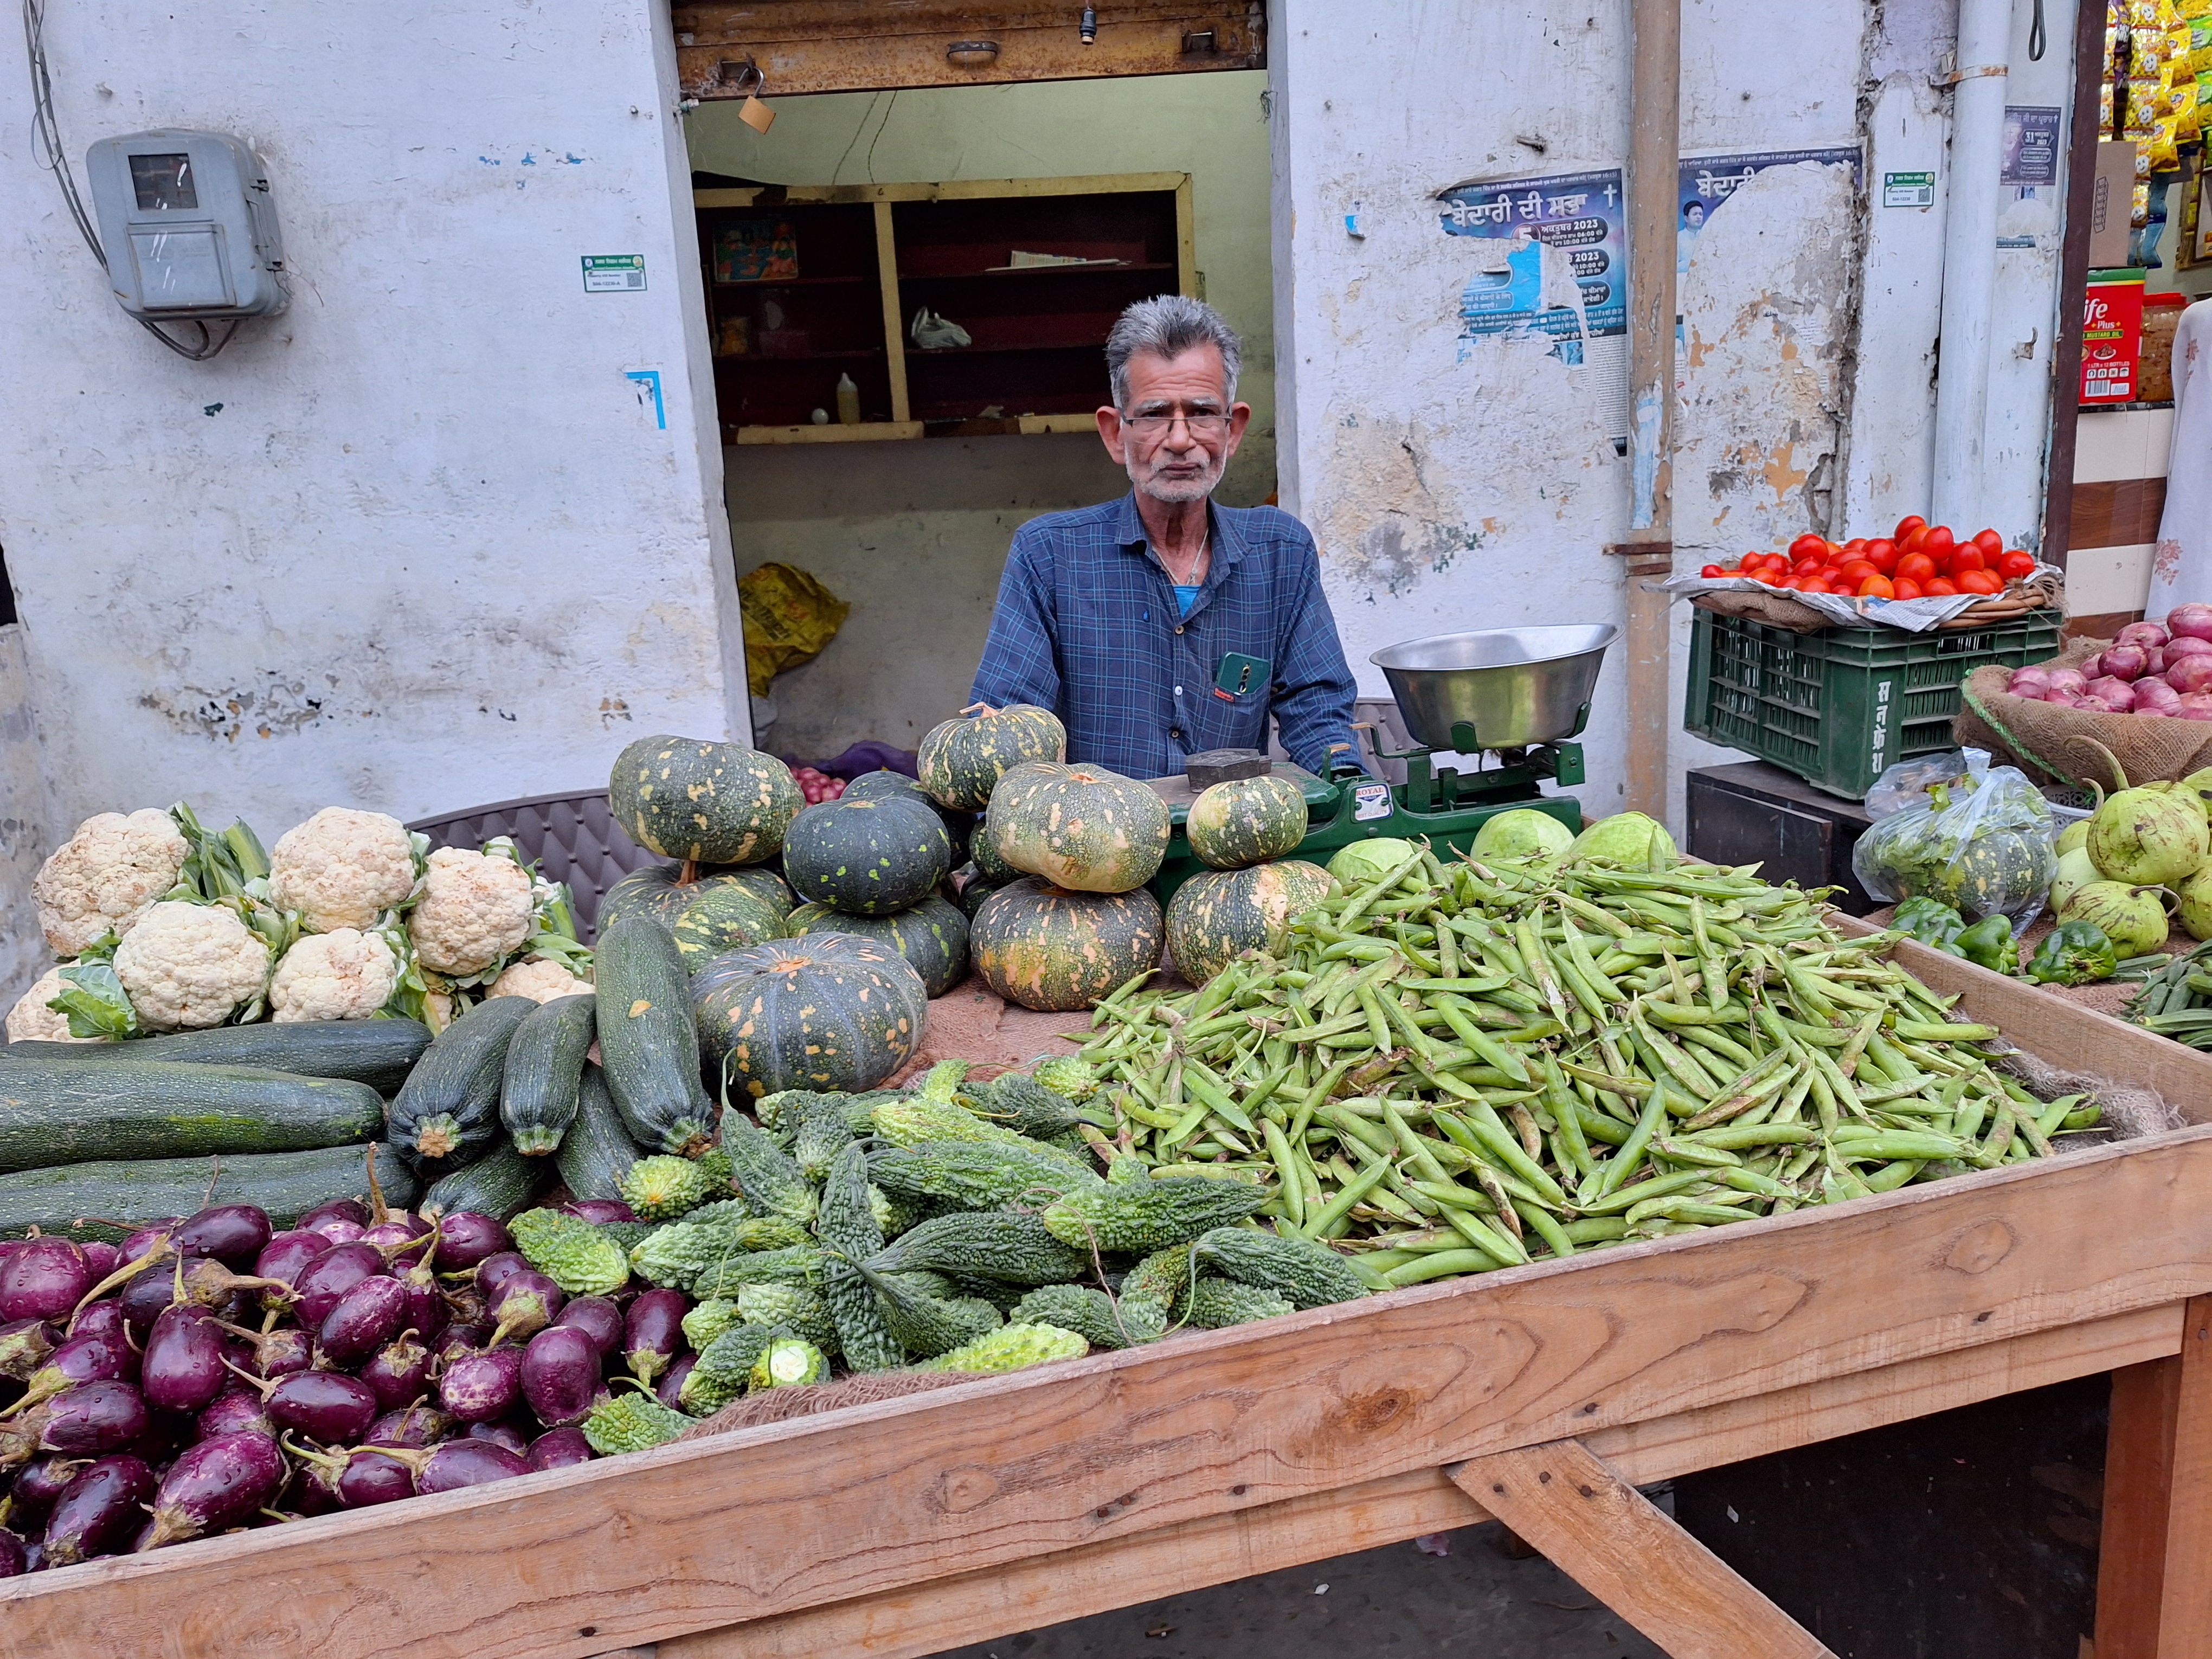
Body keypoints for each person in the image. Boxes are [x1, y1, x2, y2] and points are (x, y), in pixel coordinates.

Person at [968, 295, 1360, 782]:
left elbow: (1317, 710)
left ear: (1232, 430)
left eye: (1201, 413)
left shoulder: (1280, 552)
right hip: (1092, 844)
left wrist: (1350, 787)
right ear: (1116, 434)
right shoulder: (1050, 555)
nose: (1179, 440)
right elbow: (1007, 726)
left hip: (1236, 846)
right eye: (1154, 414)